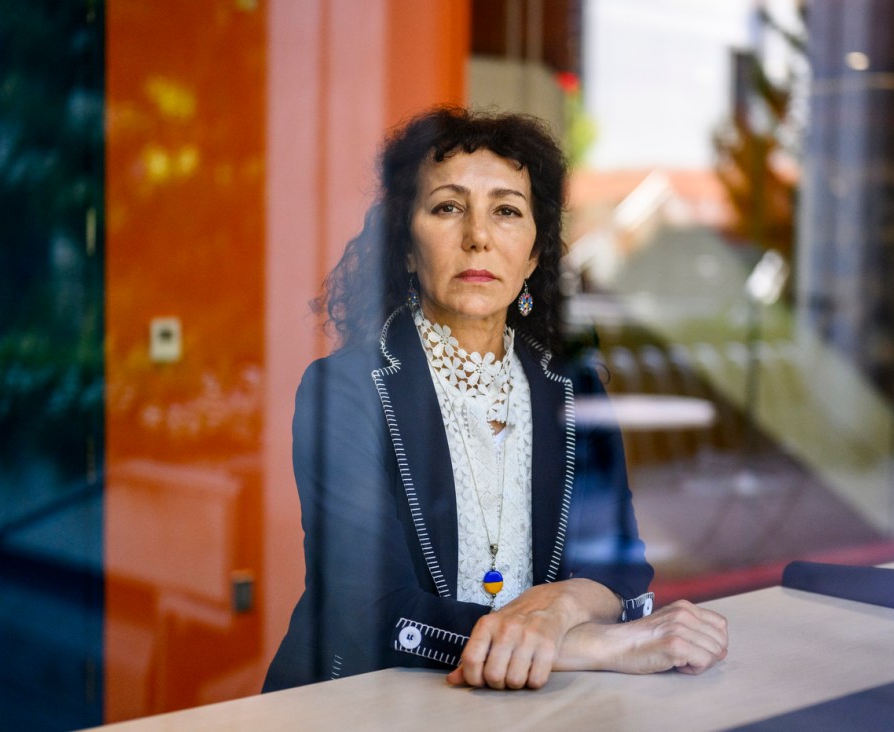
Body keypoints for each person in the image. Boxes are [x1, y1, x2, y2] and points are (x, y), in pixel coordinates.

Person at [264, 106, 727, 692]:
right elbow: (369, 607)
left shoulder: (576, 389)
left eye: (506, 211)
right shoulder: (343, 390)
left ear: (534, 255)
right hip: (365, 702)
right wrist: (588, 644)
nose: (478, 236)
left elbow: (619, 570)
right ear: (405, 246)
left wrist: (557, 616)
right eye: (448, 207)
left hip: (530, 706)